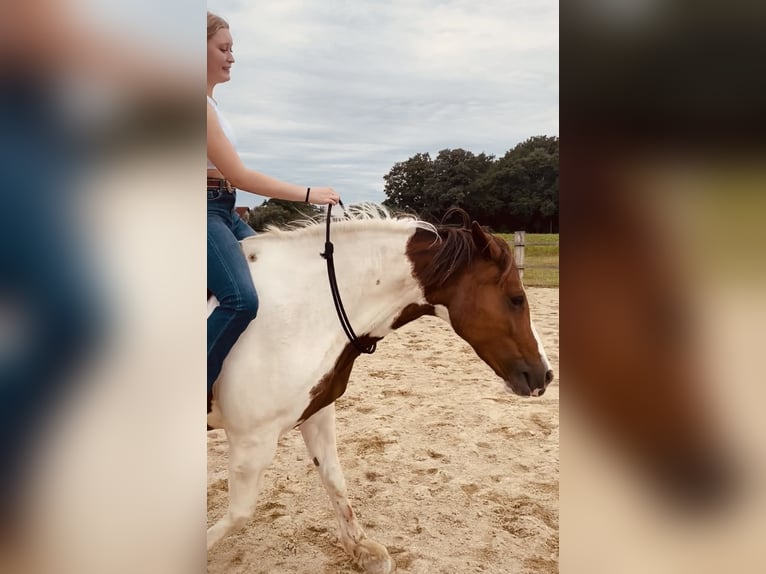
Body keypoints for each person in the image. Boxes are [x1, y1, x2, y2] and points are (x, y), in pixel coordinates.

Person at [207, 12, 340, 414]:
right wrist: (308, 194)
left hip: (224, 209)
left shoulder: (212, 105)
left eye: (233, 49)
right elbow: (238, 174)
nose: (232, 57)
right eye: (223, 48)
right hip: (198, 212)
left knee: (288, 278)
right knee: (241, 299)